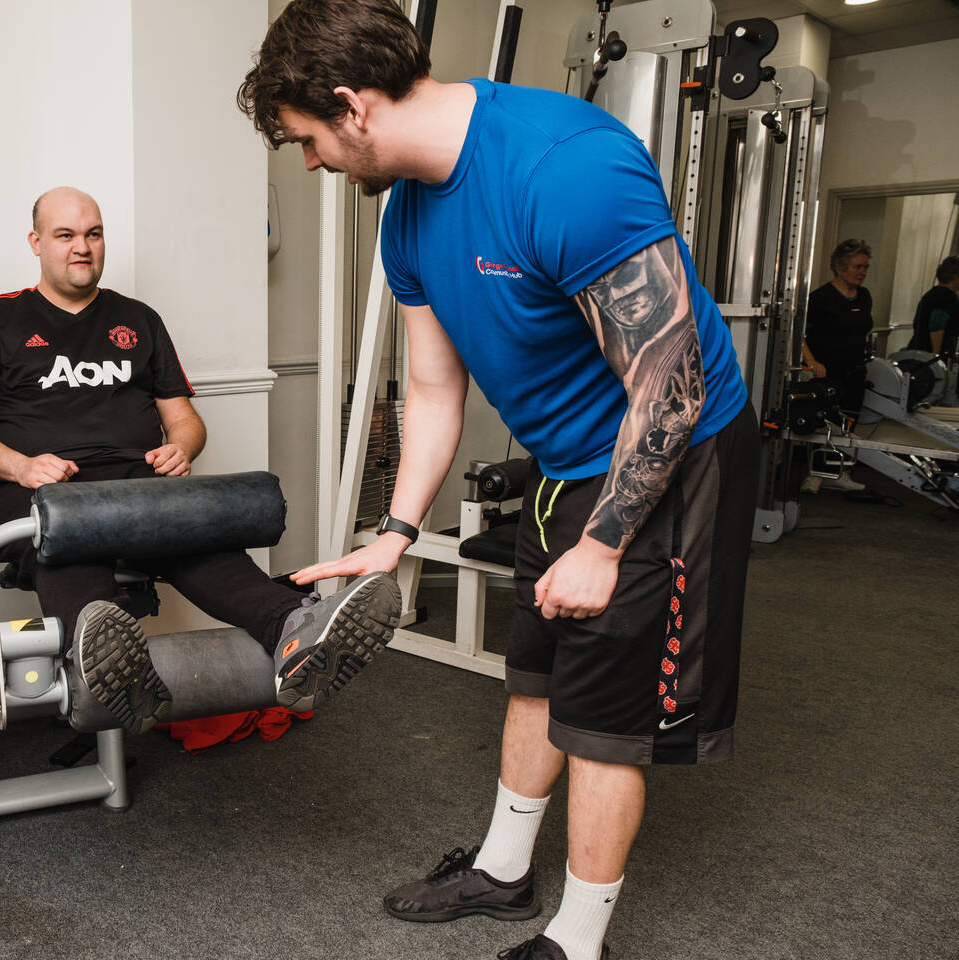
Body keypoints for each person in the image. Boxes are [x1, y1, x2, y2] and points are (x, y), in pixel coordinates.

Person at [237, 3, 757, 959]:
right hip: (566, 459)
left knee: (604, 714)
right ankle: (506, 872)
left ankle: (579, 938)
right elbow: (435, 395)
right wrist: (393, 533)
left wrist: (604, 543)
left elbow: (672, 389)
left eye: (308, 141)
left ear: (352, 107)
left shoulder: (566, 169)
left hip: (673, 455)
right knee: (536, 673)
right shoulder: (406, 216)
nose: (312, 163)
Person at [0, 185, 400, 735]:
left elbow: (185, 419)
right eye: (65, 235)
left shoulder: (138, 319)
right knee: (68, 545)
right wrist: (21, 467)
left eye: (93, 233)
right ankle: (102, 661)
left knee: (201, 541)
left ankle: (296, 629)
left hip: (140, 488)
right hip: (41, 494)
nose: (82, 247)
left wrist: (182, 446)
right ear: (37, 243)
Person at [799, 238, 873, 493]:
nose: (863, 272)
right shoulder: (820, 299)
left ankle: (840, 472)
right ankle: (816, 474)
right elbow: (798, 335)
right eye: (858, 267)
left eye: (865, 267)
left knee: (848, 423)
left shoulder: (864, 296)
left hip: (855, 371)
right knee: (825, 423)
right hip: (827, 372)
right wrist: (812, 363)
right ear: (840, 268)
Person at [905, 255, 959, 358]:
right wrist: (935, 358)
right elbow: (937, 326)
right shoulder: (947, 297)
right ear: (955, 276)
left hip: (917, 352)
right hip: (929, 357)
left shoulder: (930, 294)